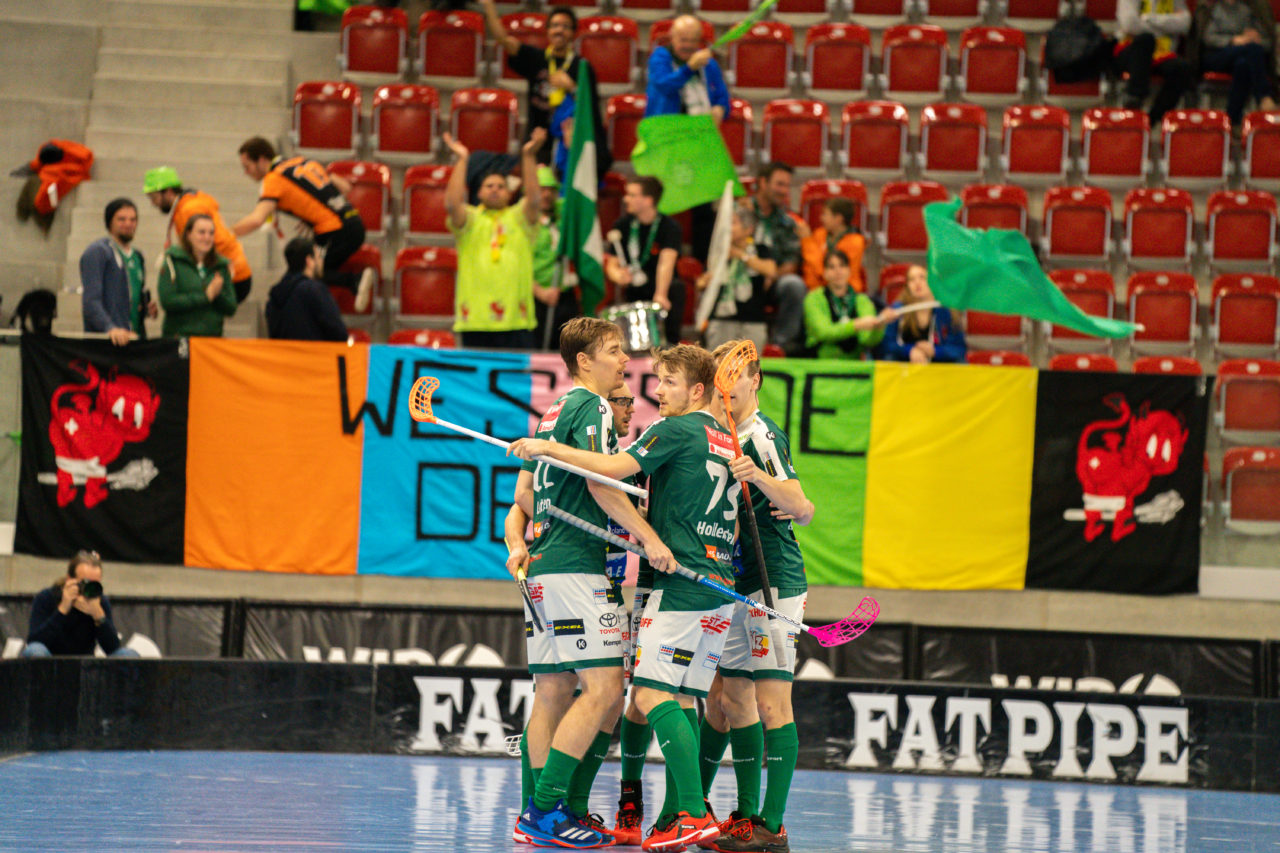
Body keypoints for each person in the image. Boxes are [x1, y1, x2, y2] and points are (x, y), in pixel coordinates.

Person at [509, 344, 743, 852]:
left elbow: (608, 474)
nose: (647, 396)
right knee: (660, 696)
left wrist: (547, 447)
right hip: (710, 582)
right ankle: (566, 809)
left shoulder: (672, 431)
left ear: (697, 389)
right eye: (627, 394)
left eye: (666, 383)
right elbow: (533, 497)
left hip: (676, 584)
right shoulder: (726, 438)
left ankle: (683, 813)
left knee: (642, 694)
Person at [507, 317, 667, 849]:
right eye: (614, 351)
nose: (625, 360)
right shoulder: (592, 406)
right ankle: (545, 809)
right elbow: (603, 486)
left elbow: (527, 499)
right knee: (603, 689)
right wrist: (648, 538)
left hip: (546, 567)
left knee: (552, 692)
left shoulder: (554, 409)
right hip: (575, 568)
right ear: (584, 361)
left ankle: (537, 814)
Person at [698, 340, 815, 853]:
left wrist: (760, 478)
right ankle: (732, 814)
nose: (730, 381)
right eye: (723, 372)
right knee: (726, 698)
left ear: (755, 380)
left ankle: (772, 825)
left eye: (738, 373)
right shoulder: (719, 432)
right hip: (736, 580)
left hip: (776, 582)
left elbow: (803, 508)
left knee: (772, 703)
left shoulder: (761, 436)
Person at [232, 137, 375, 312]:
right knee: (304, 277)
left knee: (304, 274)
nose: (246, 173)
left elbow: (257, 219)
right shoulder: (301, 161)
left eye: (247, 167)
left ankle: (354, 281)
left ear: (262, 160)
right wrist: (311, 213)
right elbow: (344, 187)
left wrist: (227, 233)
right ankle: (347, 287)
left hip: (334, 231)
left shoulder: (273, 179)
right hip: (353, 221)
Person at [479, 0, 609, 174]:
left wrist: (571, 87)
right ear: (547, 31)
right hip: (537, 142)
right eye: (555, 25)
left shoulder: (583, 67)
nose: (559, 30)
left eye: (565, 26)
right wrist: (489, 6)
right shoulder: (536, 58)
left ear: (573, 33)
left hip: (569, 145)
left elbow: (590, 109)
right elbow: (503, 39)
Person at [443, 129, 545, 349]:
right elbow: (452, 204)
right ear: (478, 193)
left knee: (515, 383)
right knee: (475, 384)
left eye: (501, 186)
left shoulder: (519, 218)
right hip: (476, 321)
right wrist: (462, 160)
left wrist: (528, 156)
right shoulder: (469, 220)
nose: (496, 190)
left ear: (509, 194)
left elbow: (535, 199)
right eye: (489, 186)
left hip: (516, 321)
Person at [645, 14, 731, 265]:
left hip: (697, 146)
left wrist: (720, 110)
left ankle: (703, 264)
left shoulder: (709, 64)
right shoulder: (660, 57)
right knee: (659, 205)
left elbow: (724, 98)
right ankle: (653, 261)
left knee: (704, 208)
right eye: (683, 40)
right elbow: (663, 85)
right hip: (665, 143)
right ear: (672, 38)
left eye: (694, 41)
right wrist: (689, 68)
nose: (688, 46)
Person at [143, 166, 254, 304]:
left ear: (169, 192)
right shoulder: (191, 202)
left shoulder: (189, 209)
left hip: (231, 276)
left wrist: (220, 272)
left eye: (154, 197)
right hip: (237, 273)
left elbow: (218, 241)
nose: (153, 203)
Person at [605, 176, 685, 345]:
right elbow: (612, 263)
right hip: (635, 292)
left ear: (648, 200)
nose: (626, 199)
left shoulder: (669, 227)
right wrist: (617, 275)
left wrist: (661, 294)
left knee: (667, 344)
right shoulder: (622, 225)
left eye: (632, 195)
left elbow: (666, 263)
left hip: (663, 292)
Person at [22, 551, 139, 658]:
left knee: (129, 655)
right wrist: (63, 610)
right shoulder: (47, 597)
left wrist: (98, 615)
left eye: (95, 584)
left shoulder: (100, 602)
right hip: (51, 662)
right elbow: (34, 641)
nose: (90, 589)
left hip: (86, 664)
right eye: (86, 583)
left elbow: (113, 649)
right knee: (35, 650)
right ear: (70, 579)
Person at [749, 163, 810, 357]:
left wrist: (771, 276)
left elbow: (791, 263)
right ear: (763, 182)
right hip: (741, 276)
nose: (784, 191)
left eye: (787, 186)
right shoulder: (742, 211)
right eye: (779, 184)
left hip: (773, 283)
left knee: (794, 284)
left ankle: (781, 347)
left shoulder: (787, 222)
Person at [697, 205, 776, 352]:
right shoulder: (718, 252)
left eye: (733, 223)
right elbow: (701, 283)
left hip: (752, 321)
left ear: (749, 229)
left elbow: (770, 270)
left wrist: (741, 255)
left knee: (750, 370)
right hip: (721, 320)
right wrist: (707, 279)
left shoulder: (760, 250)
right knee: (717, 368)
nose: (728, 228)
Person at [1189, 0, 1277, 129]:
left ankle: (1232, 120)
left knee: (1244, 64)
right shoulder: (1212, 7)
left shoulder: (1250, 9)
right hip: (1215, 56)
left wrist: (1254, 38)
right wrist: (1233, 40)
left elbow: (1268, 42)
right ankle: (1263, 96)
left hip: (1243, 55)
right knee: (1251, 49)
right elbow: (1207, 38)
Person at [80, 198, 156, 346]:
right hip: (107, 343)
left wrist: (146, 308)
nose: (128, 224)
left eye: (133, 219)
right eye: (121, 219)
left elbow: (131, 299)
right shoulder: (98, 252)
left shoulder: (137, 256)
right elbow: (90, 301)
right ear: (109, 222)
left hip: (132, 339)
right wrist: (110, 328)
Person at [1109, 0, 1195, 125]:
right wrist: (1166, 27)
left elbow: (1185, 23)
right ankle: (1135, 99)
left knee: (1182, 68)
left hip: (1161, 53)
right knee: (1146, 40)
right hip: (1131, 51)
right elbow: (1129, 24)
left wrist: (1149, 19)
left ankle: (1152, 119)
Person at [156, 214, 238, 338]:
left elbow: (231, 308)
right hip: (179, 339)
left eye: (211, 233)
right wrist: (206, 296)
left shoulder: (221, 265)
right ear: (189, 235)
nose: (207, 237)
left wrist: (217, 294)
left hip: (212, 339)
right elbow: (168, 301)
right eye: (201, 232)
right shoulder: (172, 261)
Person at [803, 250, 889, 360]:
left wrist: (879, 327)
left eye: (842, 266)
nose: (838, 271)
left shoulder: (862, 300)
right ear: (824, 273)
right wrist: (856, 325)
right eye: (831, 267)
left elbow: (867, 340)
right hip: (820, 364)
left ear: (849, 271)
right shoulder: (814, 298)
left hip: (852, 366)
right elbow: (823, 332)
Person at [532, 166, 582, 351]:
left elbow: (580, 195)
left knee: (569, 349)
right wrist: (539, 292)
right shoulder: (523, 222)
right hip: (535, 296)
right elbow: (515, 266)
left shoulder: (563, 212)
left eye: (551, 190)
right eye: (541, 189)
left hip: (564, 293)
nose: (546, 195)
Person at [875, 264, 967, 364]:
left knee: (960, 362)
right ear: (907, 286)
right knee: (889, 359)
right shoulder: (898, 310)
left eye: (922, 277)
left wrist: (936, 351)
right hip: (905, 366)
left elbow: (959, 349)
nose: (917, 283)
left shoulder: (947, 310)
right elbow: (886, 346)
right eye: (911, 279)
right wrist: (909, 351)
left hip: (939, 366)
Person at [266, 237, 349, 342]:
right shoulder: (314, 290)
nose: (321, 261)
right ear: (309, 261)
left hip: (283, 357)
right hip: (313, 356)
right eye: (319, 257)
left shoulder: (274, 297)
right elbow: (339, 333)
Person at [799, 197, 866, 293]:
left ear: (838, 219)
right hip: (813, 291)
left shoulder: (855, 242)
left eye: (825, 214)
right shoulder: (819, 234)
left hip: (844, 293)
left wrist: (807, 241)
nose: (821, 218)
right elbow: (809, 267)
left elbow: (828, 271)